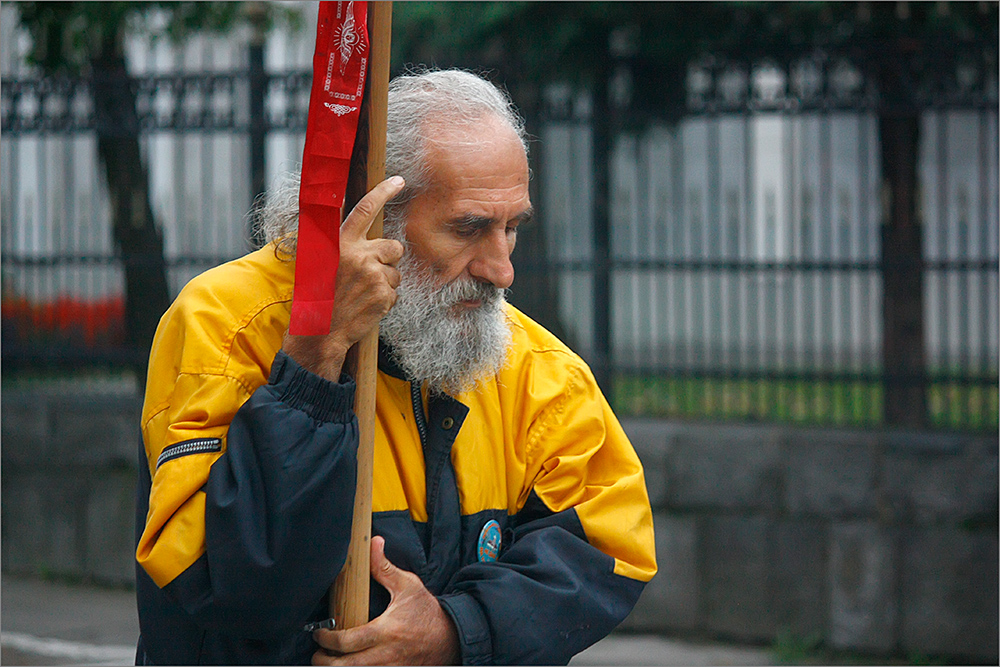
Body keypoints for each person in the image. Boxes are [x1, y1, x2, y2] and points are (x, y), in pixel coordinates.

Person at [134, 68, 656, 666]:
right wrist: (314, 360)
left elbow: (610, 542)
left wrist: (455, 632)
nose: (501, 269)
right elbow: (234, 588)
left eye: (512, 228)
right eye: (468, 229)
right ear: (371, 212)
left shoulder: (536, 368)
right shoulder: (224, 324)